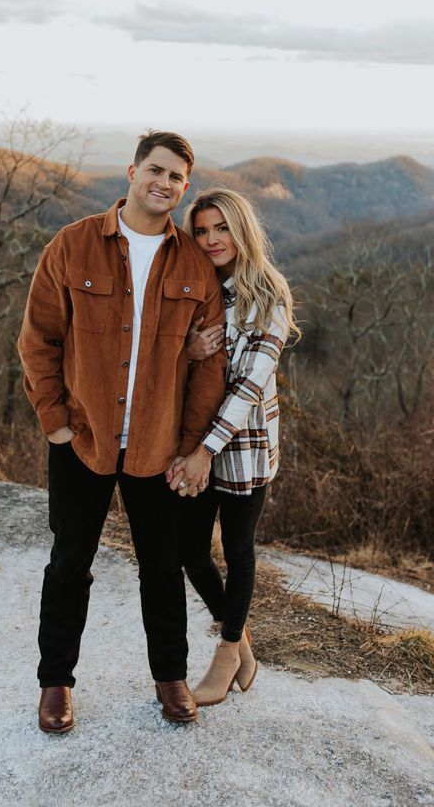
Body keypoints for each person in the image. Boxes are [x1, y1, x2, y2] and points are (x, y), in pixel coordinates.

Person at [17, 131, 227, 732]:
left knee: (161, 567)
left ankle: (171, 678)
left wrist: (191, 447)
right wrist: (55, 422)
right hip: (83, 439)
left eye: (176, 178)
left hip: (158, 447)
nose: (164, 184)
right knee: (69, 564)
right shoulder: (74, 245)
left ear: (184, 188)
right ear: (131, 173)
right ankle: (55, 683)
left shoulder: (193, 263)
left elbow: (209, 367)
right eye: (155, 171)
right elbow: (39, 340)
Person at [166, 187, 299, 706]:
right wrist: (186, 348)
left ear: (241, 229)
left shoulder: (269, 294)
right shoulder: (197, 288)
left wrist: (205, 451)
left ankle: (224, 655)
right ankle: (241, 641)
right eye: (201, 230)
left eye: (221, 228)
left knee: (238, 550)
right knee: (190, 551)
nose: (211, 239)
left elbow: (248, 386)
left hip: (243, 446)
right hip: (198, 439)